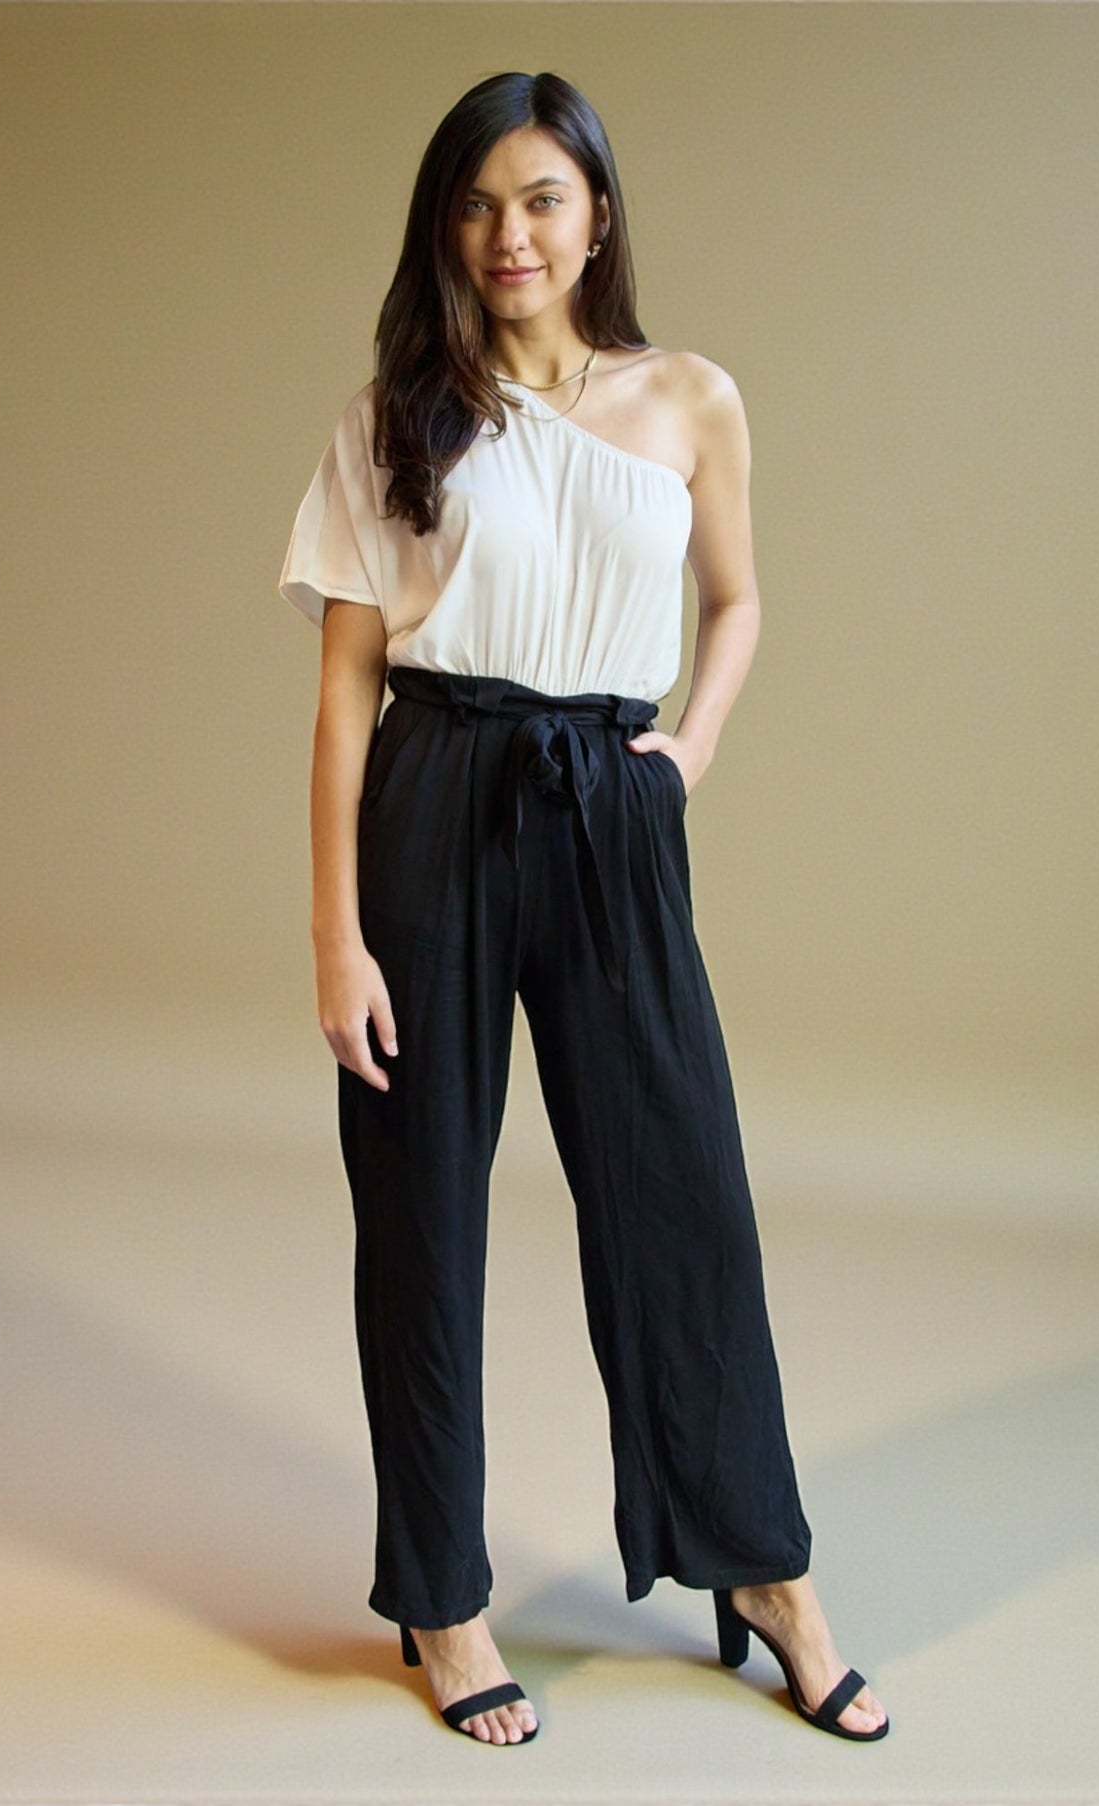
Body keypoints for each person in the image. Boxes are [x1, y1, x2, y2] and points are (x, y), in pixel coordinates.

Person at [278, 70, 890, 1750]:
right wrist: (333, 930)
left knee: (679, 1186)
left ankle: (762, 1571)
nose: (508, 235)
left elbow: (740, 596)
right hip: (433, 798)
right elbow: (341, 697)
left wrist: (679, 755)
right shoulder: (398, 415)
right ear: (444, 227)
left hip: (607, 808)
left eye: (541, 198)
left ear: (596, 214)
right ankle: (442, 1597)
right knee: (422, 1216)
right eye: (476, 204)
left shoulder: (687, 397)